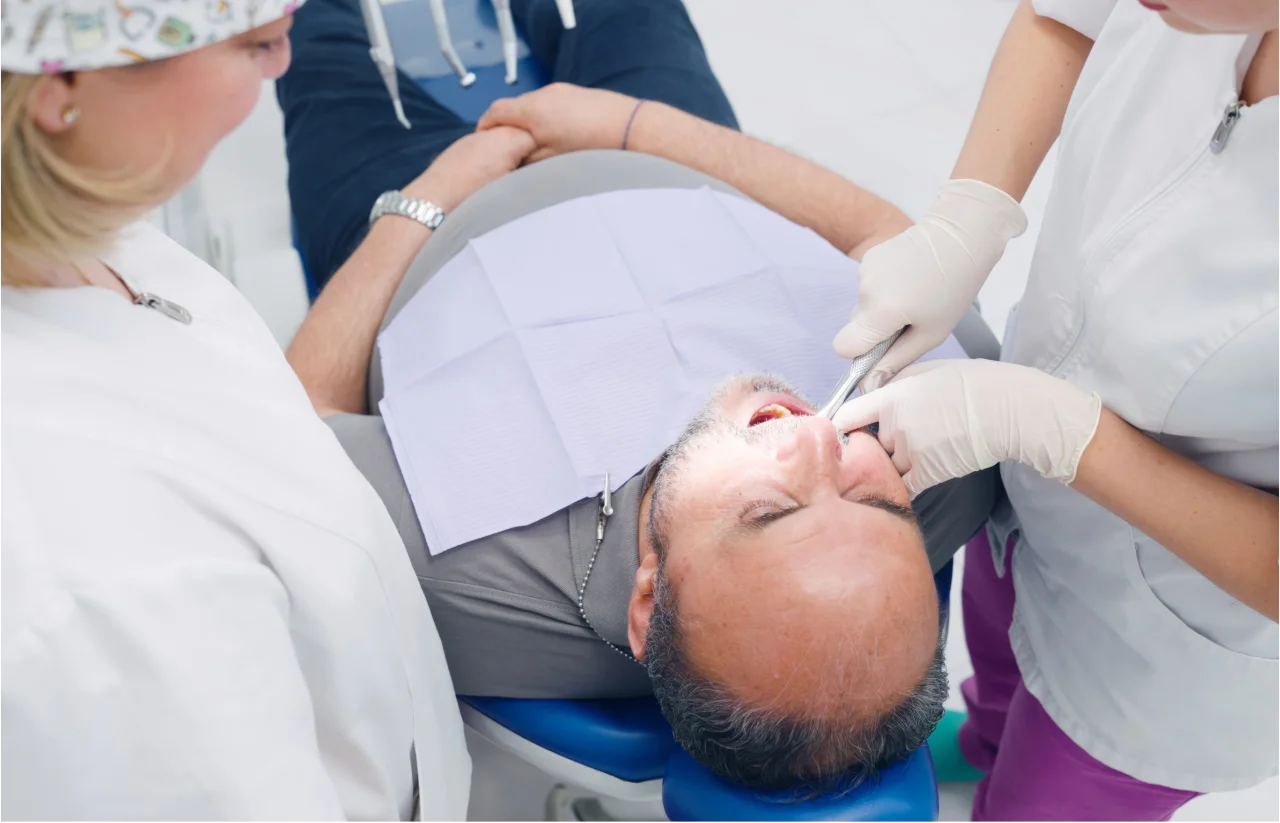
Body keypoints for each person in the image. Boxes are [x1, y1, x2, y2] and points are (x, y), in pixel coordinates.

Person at [276, 0, 1001, 792]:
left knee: (319, 37)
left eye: (772, 510)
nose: (817, 443)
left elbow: (294, 416)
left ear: (650, 596)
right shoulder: (946, 443)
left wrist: (439, 189)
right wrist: (632, 125)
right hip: (678, 164)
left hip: (430, 212)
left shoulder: (458, 576)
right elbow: (883, 238)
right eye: (878, 505)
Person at [0, 0, 517, 816]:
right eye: (256, 44)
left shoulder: (104, 243)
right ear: (57, 89)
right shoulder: (101, 582)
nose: (281, 65)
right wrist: (430, 199)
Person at [818, 0, 1278, 820]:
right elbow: (1062, 15)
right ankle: (991, 738)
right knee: (998, 666)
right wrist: (967, 218)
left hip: (1159, 650)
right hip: (1023, 500)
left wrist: (1054, 429)